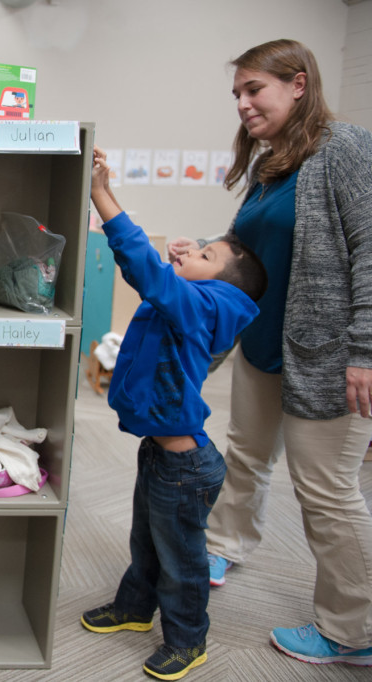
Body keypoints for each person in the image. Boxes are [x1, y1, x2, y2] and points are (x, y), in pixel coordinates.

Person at [166, 39, 372, 667]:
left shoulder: (346, 151)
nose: (244, 104)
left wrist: (365, 351)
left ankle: (356, 629)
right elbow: (247, 241)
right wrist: (204, 248)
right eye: (237, 94)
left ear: (299, 84)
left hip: (328, 355)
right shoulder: (271, 163)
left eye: (254, 89)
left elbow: (370, 251)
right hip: (265, 341)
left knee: (327, 492)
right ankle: (226, 543)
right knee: (247, 455)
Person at [81, 146, 266, 680]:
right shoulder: (196, 300)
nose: (190, 253)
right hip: (162, 455)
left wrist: (98, 195)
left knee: (183, 560)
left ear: (217, 287)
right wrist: (108, 187)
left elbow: (148, 273)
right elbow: (162, 279)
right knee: (147, 540)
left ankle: (189, 641)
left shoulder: (203, 307)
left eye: (206, 256)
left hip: (186, 468)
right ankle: (136, 608)